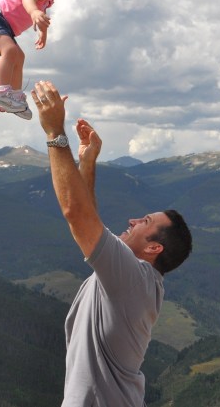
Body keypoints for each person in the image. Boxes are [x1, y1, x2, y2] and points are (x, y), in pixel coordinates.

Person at [31, 80, 193, 406]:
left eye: (144, 223)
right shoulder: (136, 278)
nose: (133, 220)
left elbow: (76, 213)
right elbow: (91, 221)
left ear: (153, 248)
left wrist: (54, 133)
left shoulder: (131, 277)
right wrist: (87, 164)